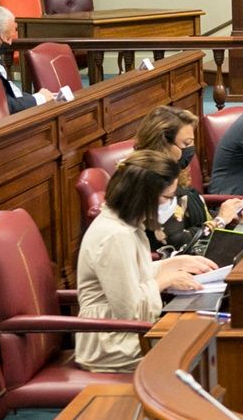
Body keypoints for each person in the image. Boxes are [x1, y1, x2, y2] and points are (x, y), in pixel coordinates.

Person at [75, 150, 218, 372]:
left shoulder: (125, 221)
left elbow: (130, 275)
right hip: (111, 341)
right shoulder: (115, 236)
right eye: (167, 198)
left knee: (206, 332)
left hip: (122, 331)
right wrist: (164, 281)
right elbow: (130, 312)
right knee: (204, 344)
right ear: (144, 196)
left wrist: (174, 264)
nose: (172, 203)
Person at [133, 106, 243, 252]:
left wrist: (232, 217)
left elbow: (197, 219)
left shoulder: (175, 173)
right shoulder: (148, 180)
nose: (191, 149)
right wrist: (221, 221)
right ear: (163, 144)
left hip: (205, 252)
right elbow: (174, 241)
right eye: (186, 144)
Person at [0, 5, 54, 114]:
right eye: (8, 37)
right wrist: (38, 98)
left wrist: (36, 97)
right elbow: (2, 105)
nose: (9, 43)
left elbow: (10, 91)